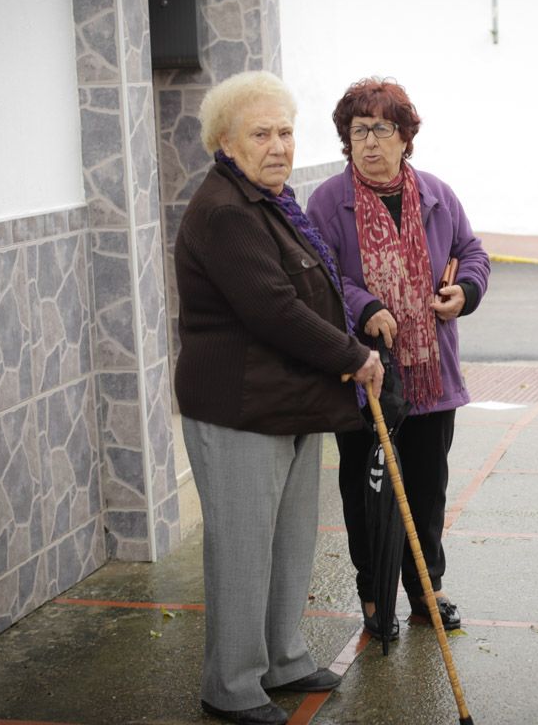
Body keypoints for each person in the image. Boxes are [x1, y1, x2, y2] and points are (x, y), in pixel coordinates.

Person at [173, 70, 384, 725]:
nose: (277, 145)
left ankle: (283, 659)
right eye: (260, 133)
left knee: (290, 541)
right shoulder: (226, 213)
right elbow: (274, 309)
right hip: (239, 408)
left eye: (285, 131)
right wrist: (353, 357)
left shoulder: (273, 205)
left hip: (289, 401)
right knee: (242, 548)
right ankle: (231, 684)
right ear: (226, 143)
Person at [307, 77, 490, 640]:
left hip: (431, 376)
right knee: (367, 490)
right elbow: (320, 277)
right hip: (365, 376)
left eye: (383, 129)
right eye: (359, 130)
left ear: (405, 137)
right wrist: (362, 306)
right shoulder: (326, 204)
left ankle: (426, 588)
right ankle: (372, 591)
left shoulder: (436, 194)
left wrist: (466, 292)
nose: (370, 143)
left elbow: (471, 253)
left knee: (427, 488)